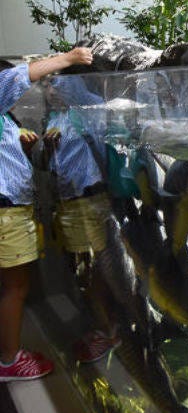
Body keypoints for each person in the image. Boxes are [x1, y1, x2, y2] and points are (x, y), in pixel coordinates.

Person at [0, 47, 93, 381]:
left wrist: (26, 149)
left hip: (13, 211)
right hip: (7, 214)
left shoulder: (6, 120)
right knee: (15, 288)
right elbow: (18, 76)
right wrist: (69, 58)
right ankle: (9, 361)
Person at [42, 74, 121, 363]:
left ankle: (111, 329)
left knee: (102, 263)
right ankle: (100, 327)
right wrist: (47, 148)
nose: (50, 91)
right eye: (47, 86)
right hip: (70, 201)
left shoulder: (89, 107)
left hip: (93, 198)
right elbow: (50, 164)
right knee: (84, 267)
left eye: (55, 84)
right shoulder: (54, 118)